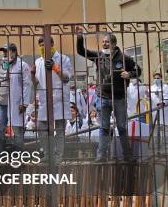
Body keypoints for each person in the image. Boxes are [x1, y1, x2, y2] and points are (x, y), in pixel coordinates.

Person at [77, 33, 141, 162]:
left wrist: (129, 74)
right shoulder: (99, 56)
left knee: (122, 127)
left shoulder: (124, 58)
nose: (104, 44)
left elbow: (138, 70)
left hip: (119, 98)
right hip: (103, 97)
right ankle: (101, 156)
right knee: (104, 128)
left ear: (114, 44)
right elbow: (81, 51)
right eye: (103, 42)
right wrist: (79, 39)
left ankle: (127, 156)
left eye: (107, 42)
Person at [32, 36, 72, 164]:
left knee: (60, 129)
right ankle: (48, 155)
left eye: (45, 45)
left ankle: (58, 156)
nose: (43, 47)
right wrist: (32, 75)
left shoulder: (63, 59)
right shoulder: (38, 62)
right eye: (41, 45)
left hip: (59, 98)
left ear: (53, 44)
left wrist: (55, 68)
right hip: (45, 99)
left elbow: (66, 78)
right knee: (41, 127)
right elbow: (35, 83)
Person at [0, 43, 32, 152]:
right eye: (3, 52)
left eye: (7, 51)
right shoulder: (3, 64)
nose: (4, 54)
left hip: (16, 104)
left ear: (14, 52)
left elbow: (27, 85)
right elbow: (0, 80)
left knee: (17, 131)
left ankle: (18, 156)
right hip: (1, 104)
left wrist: (24, 103)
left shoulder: (22, 66)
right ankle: (0, 155)